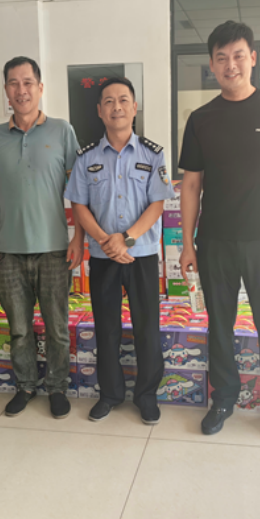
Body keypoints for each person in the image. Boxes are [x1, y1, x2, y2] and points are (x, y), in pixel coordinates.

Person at [178, 21, 260, 443]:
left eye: (238, 56)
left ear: (253, 58)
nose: (230, 65)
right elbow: (191, 185)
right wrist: (187, 243)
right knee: (219, 324)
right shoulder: (201, 119)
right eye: (221, 58)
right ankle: (223, 399)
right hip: (215, 241)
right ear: (212, 65)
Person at [0, 57, 84, 420]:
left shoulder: (62, 131)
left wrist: (78, 237)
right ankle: (25, 385)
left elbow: (78, 191)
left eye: (27, 82)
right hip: (8, 251)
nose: (20, 90)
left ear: (40, 88)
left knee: (57, 328)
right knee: (19, 329)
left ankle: (56, 387)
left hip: (54, 249)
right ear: (5, 90)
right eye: (13, 83)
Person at [65, 77, 175, 425]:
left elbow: (158, 203)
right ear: (99, 111)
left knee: (147, 328)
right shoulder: (86, 157)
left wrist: (125, 239)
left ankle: (146, 396)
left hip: (141, 254)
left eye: (123, 100)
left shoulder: (152, 154)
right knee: (107, 328)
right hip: (103, 258)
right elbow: (79, 204)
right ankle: (110, 394)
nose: (117, 107)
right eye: (109, 101)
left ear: (134, 107)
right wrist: (104, 241)